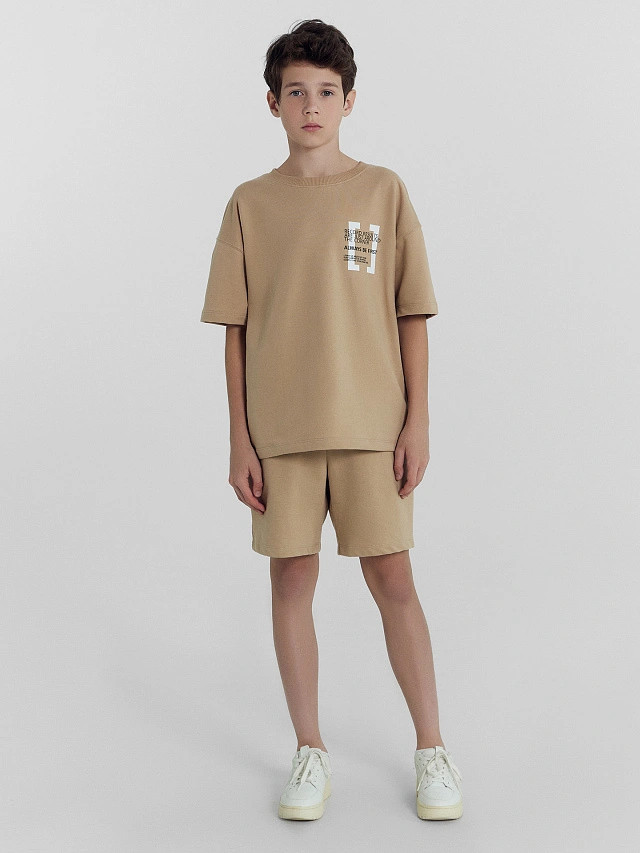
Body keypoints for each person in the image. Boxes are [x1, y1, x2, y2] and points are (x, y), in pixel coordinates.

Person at [200, 18, 463, 822]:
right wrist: (239, 437)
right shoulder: (250, 204)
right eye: (295, 92)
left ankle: (432, 749)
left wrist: (417, 421)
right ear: (272, 103)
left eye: (325, 92)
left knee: (394, 579)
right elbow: (235, 328)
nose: (310, 106)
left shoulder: (383, 192)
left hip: (371, 428)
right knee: (291, 580)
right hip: (280, 434)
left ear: (349, 101)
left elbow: (411, 312)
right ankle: (309, 748)